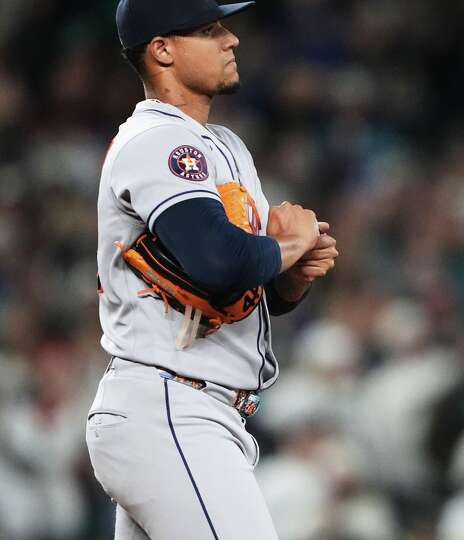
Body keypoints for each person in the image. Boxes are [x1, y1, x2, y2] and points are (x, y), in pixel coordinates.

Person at [85, 1, 339, 538]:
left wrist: (289, 275)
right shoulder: (158, 139)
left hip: (193, 407)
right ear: (162, 49)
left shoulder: (225, 146)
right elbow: (219, 261)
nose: (232, 40)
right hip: (170, 407)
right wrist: (288, 245)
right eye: (208, 29)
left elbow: (245, 291)